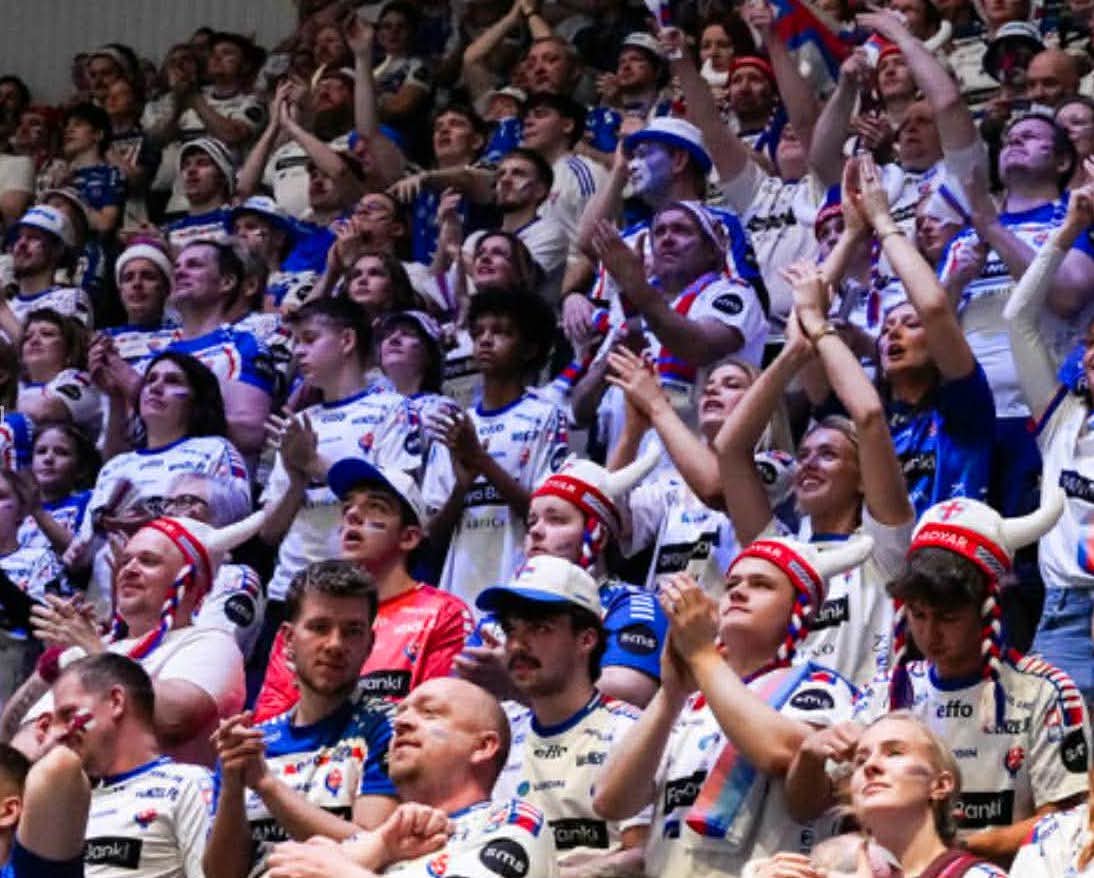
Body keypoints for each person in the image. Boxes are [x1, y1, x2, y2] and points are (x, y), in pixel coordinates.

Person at [797, 490, 1092, 863]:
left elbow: (1067, 824)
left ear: (988, 609)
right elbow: (807, 808)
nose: (930, 634)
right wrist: (809, 755)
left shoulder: (1046, 692)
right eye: (918, 615)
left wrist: (948, 858)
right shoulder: (884, 692)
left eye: (948, 617)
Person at [593, 534, 871, 876]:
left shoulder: (818, 685)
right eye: (732, 584)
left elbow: (781, 752)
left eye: (761, 584)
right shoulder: (691, 700)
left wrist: (701, 654)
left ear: (800, 609)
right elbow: (611, 801)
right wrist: (670, 695)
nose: (738, 592)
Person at [13, 508, 264, 767]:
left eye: (148, 561)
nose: (129, 570)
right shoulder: (101, 646)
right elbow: (12, 734)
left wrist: (93, 651)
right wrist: (48, 668)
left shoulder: (212, 643)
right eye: (125, 561)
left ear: (191, 581)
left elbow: (175, 720)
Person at [204, 561, 398, 878]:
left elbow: (377, 850)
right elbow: (222, 875)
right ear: (288, 640)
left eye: (352, 631)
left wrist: (266, 785)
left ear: (369, 644)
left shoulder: (390, 727)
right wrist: (233, 785)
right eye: (319, 627)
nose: (335, 644)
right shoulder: (252, 743)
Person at [264, 676, 558, 877]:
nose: (401, 722)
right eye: (402, 712)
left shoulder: (513, 821)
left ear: (483, 747)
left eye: (429, 712)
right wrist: (374, 851)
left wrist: (343, 872)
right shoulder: (378, 842)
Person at [253, 458, 471, 719]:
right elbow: (271, 717)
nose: (352, 515)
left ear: (409, 537)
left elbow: (436, 718)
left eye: (376, 507)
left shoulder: (444, 614)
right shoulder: (308, 614)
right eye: (347, 507)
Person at [477, 556, 650, 874]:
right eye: (511, 629)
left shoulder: (630, 731)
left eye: (539, 628)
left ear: (586, 640)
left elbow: (644, 856)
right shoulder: (497, 735)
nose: (516, 645)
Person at [259, 297, 420, 635]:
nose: (298, 352)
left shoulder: (393, 410)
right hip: (290, 590)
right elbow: (269, 532)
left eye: (309, 339)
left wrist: (314, 463)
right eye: (295, 342)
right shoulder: (299, 423)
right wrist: (296, 480)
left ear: (347, 340)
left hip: (359, 592)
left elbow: (398, 502)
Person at [1004, 182, 1094, 705]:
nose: (1093, 355)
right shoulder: (1062, 416)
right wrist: (1069, 230)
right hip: (1064, 618)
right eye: (1091, 345)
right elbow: (1019, 317)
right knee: (1051, 755)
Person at [421, 288, 568, 608]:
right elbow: (431, 537)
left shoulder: (546, 416)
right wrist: (462, 488)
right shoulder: (455, 425)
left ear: (529, 349)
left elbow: (547, 516)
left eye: (500, 332)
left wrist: (481, 461)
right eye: (478, 333)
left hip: (520, 585)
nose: (485, 340)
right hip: (460, 590)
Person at [73, 352, 249, 609]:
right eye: (151, 379)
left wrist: (151, 521)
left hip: (178, 595)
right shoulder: (115, 466)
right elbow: (86, 547)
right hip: (107, 600)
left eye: (172, 381)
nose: (155, 387)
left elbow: (237, 518)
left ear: (196, 401)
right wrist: (79, 554)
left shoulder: (216, 449)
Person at [765, 713, 1007, 877]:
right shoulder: (828, 870)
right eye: (860, 760)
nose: (871, 766)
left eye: (895, 753)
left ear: (940, 785)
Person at [49, 653, 213, 878]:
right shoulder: (69, 807)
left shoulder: (188, 785)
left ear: (116, 702)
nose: (57, 733)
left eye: (68, 714)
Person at [16, 309, 101, 442]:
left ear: (69, 351)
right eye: (27, 337)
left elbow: (43, 410)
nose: (34, 341)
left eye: (47, 334)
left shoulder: (80, 381)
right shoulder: (14, 385)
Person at [5, 205, 91, 332]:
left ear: (58, 250)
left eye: (34, 237)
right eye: (19, 237)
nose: (22, 244)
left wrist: (2, 311)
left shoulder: (71, 298)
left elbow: (56, 345)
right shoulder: (8, 305)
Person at [162, 138, 236, 253]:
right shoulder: (168, 232)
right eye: (185, 165)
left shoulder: (237, 222)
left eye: (202, 163)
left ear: (223, 176)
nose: (191, 170)